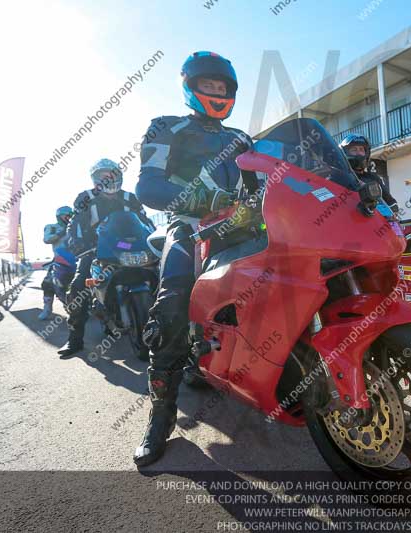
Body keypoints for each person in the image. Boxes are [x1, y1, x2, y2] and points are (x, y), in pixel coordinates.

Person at [133, 51, 252, 466]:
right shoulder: (167, 127)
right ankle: (161, 417)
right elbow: (148, 187)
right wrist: (201, 199)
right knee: (170, 310)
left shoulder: (242, 138)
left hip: (247, 227)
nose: (217, 93)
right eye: (209, 86)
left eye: (223, 88)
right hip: (190, 226)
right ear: (191, 87)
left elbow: (273, 177)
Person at [58, 159, 150, 357]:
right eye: (103, 176)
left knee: (161, 274)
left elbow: (145, 220)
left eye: (112, 175)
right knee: (78, 287)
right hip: (96, 250)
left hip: (130, 247)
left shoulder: (130, 197)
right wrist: (77, 242)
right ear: (95, 179)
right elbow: (75, 223)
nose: (108, 179)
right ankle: (74, 339)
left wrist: (155, 237)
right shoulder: (86, 198)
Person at [339, 134, 399, 214]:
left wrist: (381, 210)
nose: (359, 153)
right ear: (345, 153)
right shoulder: (339, 177)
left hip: (373, 222)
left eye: (361, 150)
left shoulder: (373, 178)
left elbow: (391, 204)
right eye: (354, 150)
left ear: (366, 153)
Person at [38, 206, 74, 320]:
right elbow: (46, 239)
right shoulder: (52, 227)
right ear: (59, 216)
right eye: (66, 215)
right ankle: (47, 309)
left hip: (78, 257)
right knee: (47, 283)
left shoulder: (75, 226)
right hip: (60, 259)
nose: (69, 218)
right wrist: (61, 233)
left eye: (70, 215)